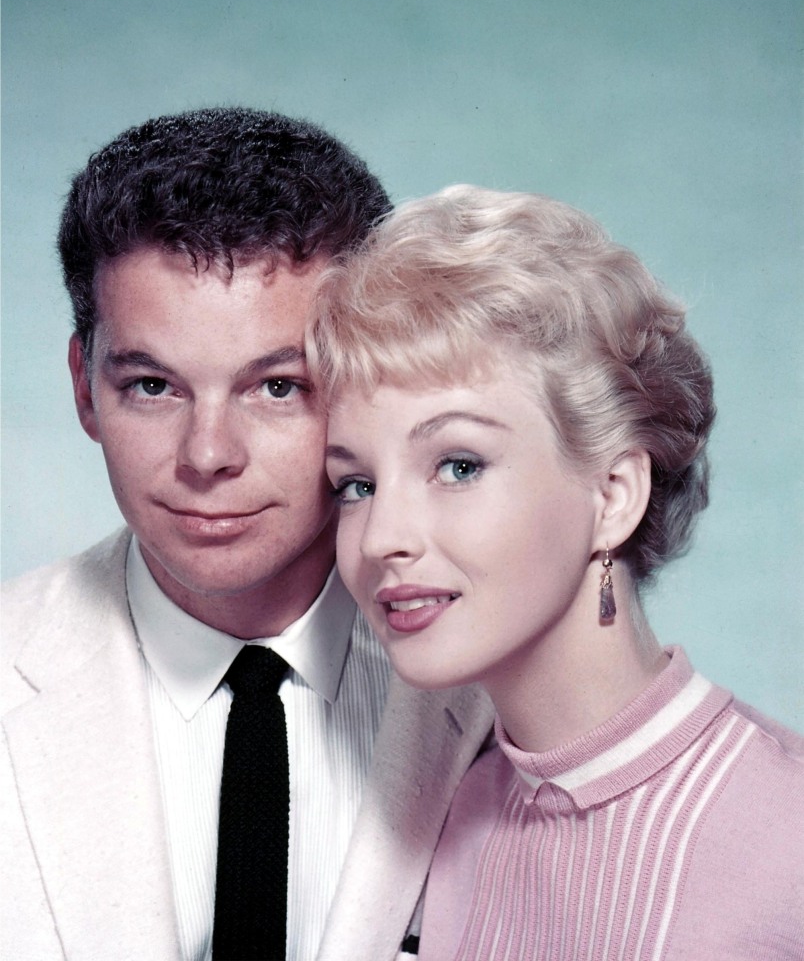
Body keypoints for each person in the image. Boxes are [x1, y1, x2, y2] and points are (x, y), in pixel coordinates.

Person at [0, 111, 494, 961]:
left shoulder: (498, 693)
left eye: (276, 388)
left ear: (367, 379)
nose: (208, 456)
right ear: (85, 387)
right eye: (153, 385)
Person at [306, 184, 804, 960]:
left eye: (458, 465)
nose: (381, 540)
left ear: (612, 496)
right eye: (358, 485)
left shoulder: (785, 839)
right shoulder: (446, 816)